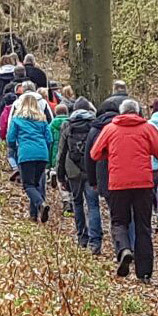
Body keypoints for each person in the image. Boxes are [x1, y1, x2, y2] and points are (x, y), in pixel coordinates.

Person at [90, 99, 158, 281]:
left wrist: (110, 155)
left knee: (119, 222)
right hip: (143, 182)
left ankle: (124, 249)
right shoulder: (147, 129)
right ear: (138, 112)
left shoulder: (110, 129)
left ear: (120, 112)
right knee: (143, 226)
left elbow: (94, 153)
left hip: (118, 182)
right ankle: (145, 272)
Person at [57, 98, 102, 254]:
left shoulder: (67, 125)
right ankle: (95, 241)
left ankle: (82, 238)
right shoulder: (94, 125)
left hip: (73, 171)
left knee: (77, 203)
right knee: (93, 205)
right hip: (91, 170)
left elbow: (62, 152)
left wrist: (60, 175)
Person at [6, 95, 53, 223]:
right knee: (36, 184)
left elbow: (10, 139)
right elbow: (49, 139)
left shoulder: (17, 120)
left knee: (28, 185)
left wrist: (14, 149)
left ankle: (40, 204)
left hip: (26, 154)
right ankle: (34, 214)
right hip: (42, 155)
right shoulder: (42, 121)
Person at [48, 103, 69, 204]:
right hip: (67, 152)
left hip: (55, 150)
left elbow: (49, 141)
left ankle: (53, 173)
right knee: (66, 173)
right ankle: (68, 198)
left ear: (55, 113)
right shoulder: (70, 123)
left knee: (56, 166)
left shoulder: (52, 124)